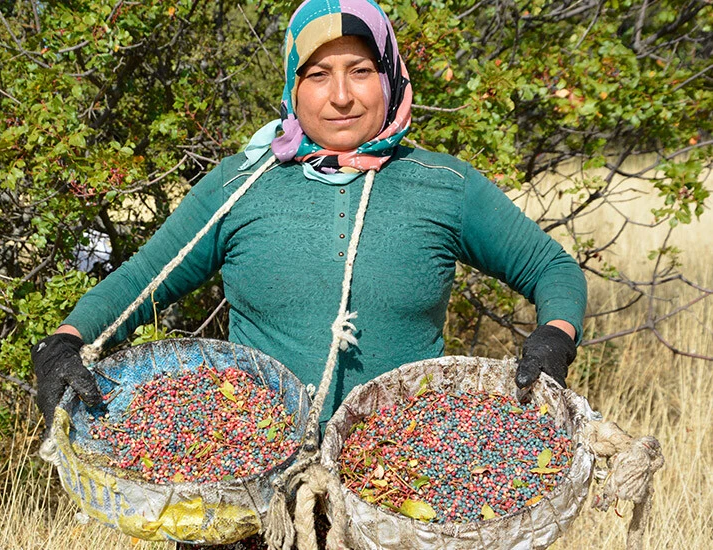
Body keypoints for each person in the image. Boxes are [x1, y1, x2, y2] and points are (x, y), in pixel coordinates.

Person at [32, 0, 585, 447]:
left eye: (361, 71)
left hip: (403, 469)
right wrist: (66, 340)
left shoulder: (444, 185)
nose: (341, 96)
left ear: (389, 77)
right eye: (318, 74)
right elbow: (142, 281)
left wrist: (555, 336)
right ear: (294, 89)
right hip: (249, 469)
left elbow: (551, 267)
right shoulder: (241, 186)